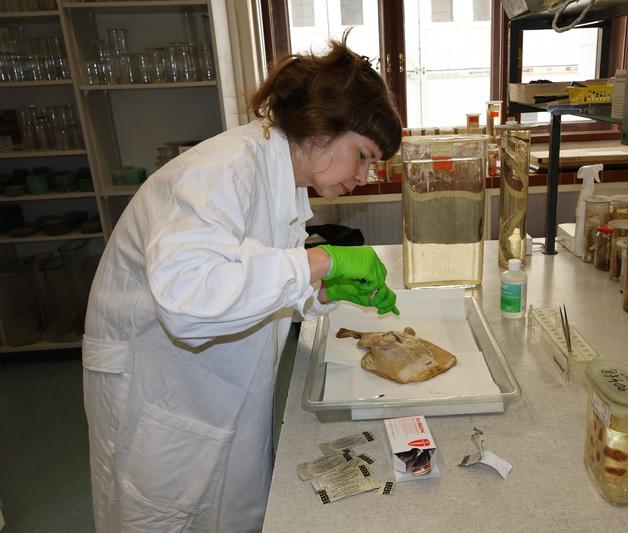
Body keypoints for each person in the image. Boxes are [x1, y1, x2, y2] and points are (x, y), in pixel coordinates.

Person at [82, 37, 402, 532]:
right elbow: (188, 300)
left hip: (217, 386)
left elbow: (249, 278)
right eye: (363, 155)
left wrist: (320, 292)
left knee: (232, 511)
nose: (366, 175)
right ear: (322, 129)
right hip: (159, 391)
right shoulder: (223, 169)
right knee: (161, 515)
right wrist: (318, 263)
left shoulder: (281, 179)